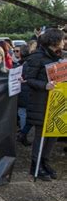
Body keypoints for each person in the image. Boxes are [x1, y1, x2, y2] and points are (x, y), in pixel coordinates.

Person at [26, 28, 65, 181]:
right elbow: (29, 79)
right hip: (41, 102)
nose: (64, 42)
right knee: (41, 135)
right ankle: (35, 166)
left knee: (54, 134)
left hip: (57, 102)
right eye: (62, 39)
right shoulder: (37, 57)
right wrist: (45, 85)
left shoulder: (59, 56)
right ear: (54, 41)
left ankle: (45, 162)